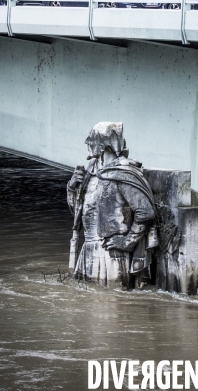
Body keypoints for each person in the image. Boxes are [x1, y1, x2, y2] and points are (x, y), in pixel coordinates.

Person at [67, 122, 157, 289]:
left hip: (110, 255)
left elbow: (146, 212)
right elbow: (80, 215)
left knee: (111, 308)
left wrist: (127, 242)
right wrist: (72, 188)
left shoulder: (123, 173)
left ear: (103, 145)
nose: (88, 143)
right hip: (87, 250)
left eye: (92, 140)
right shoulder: (91, 172)